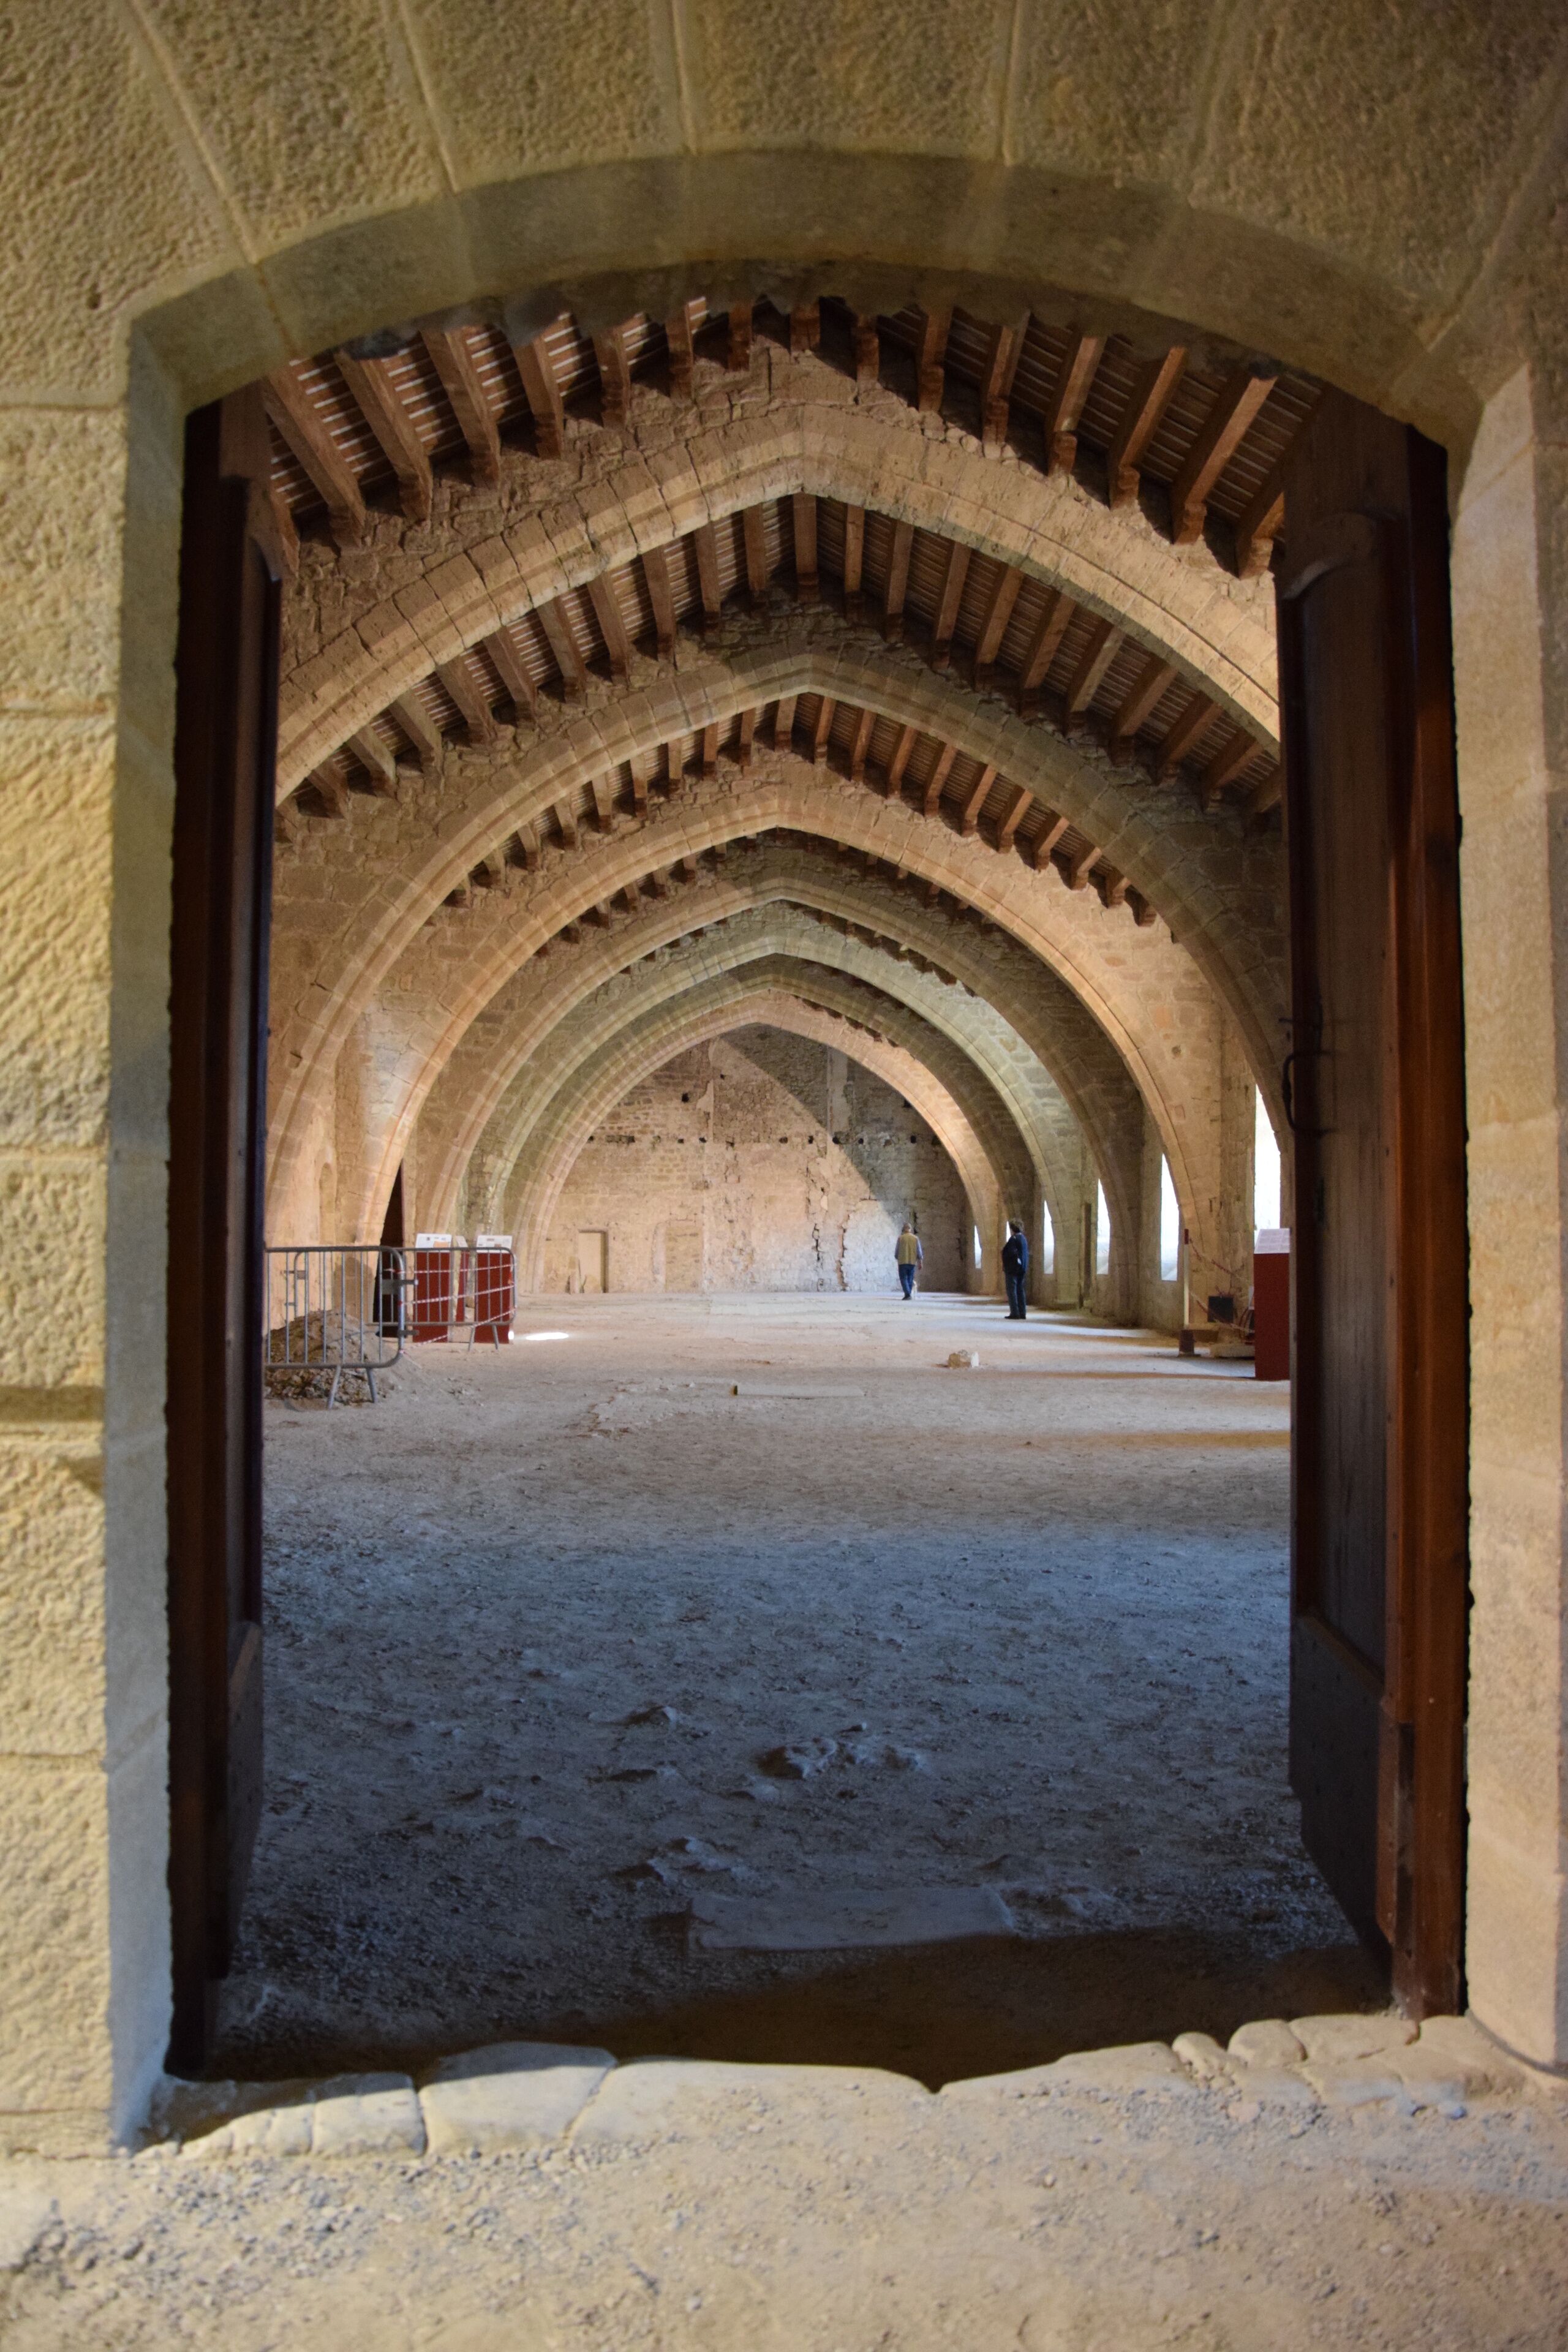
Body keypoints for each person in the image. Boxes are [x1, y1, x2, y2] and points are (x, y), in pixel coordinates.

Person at [1001, 1218, 1030, 1319]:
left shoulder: (1013, 1239)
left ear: (1012, 1229)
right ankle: (1022, 1313)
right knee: (1020, 1290)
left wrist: (1007, 1264)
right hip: (1022, 1268)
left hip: (1013, 1269)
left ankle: (1015, 1313)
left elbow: (1010, 1253)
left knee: (1012, 1290)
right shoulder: (1023, 1239)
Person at [895, 1221, 923, 1299]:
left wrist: (897, 1257)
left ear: (904, 1229)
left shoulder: (900, 1238)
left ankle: (907, 1294)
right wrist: (920, 1262)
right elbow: (919, 1251)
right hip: (912, 1261)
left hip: (903, 1261)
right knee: (910, 1278)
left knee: (903, 1278)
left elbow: (897, 1251)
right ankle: (909, 1293)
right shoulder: (915, 1238)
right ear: (910, 1229)